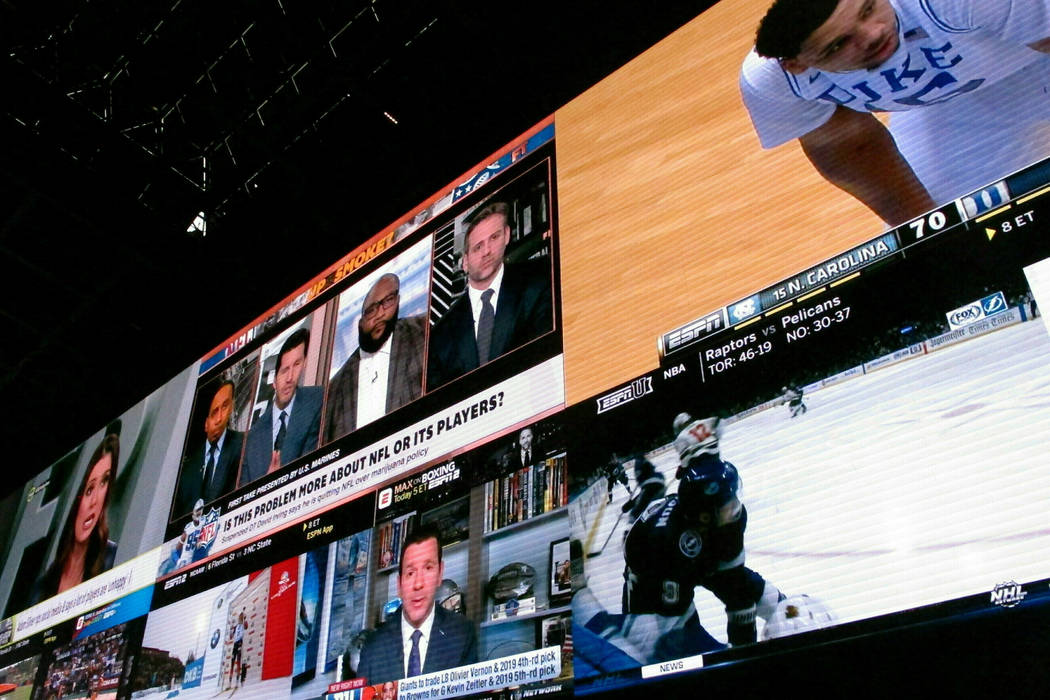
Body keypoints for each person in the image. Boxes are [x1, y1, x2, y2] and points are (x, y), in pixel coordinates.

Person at [741, 0, 1050, 225]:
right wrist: (935, 233)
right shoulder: (774, 82)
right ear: (797, 65)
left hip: (1039, 53)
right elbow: (854, 151)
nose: (873, 34)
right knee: (951, 227)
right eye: (839, 44)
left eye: (868, 9)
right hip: (958, 97)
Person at [427, 201, 553, 390]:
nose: (486, 251)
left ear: (507, 236)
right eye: (478, 247)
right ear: (465, 262)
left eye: (494, 238)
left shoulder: (540, 280)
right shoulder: (440, 335)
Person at [356, 525, 478, 684]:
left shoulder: (462, 633)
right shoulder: (372, 648)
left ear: (440, 573)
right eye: (410, 573)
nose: (418, 583)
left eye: (428, 568)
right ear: (399, 585)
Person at [325, 273, 425, 442]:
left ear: (398, 300)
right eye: (371, 310)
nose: (379, 314)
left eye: (388, 301)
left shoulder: (423, 332)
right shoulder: (335, 388)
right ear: (360, 323)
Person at [33, 434, 120, 601]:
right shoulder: (42, 586)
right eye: (89, 489)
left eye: (104, 482)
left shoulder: (112, 559)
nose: (94, 501)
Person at [240, 328, 323, 487]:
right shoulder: (252, 438)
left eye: (297, 364)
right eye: (284, 371)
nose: (290, 378)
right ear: (273, 381)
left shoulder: (317, 400)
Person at [175, 380, 243, 518]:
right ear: (205, 424)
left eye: (224, 407)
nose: (220, 419)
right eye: (214, 413)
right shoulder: (185, 471)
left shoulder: (243, 444)